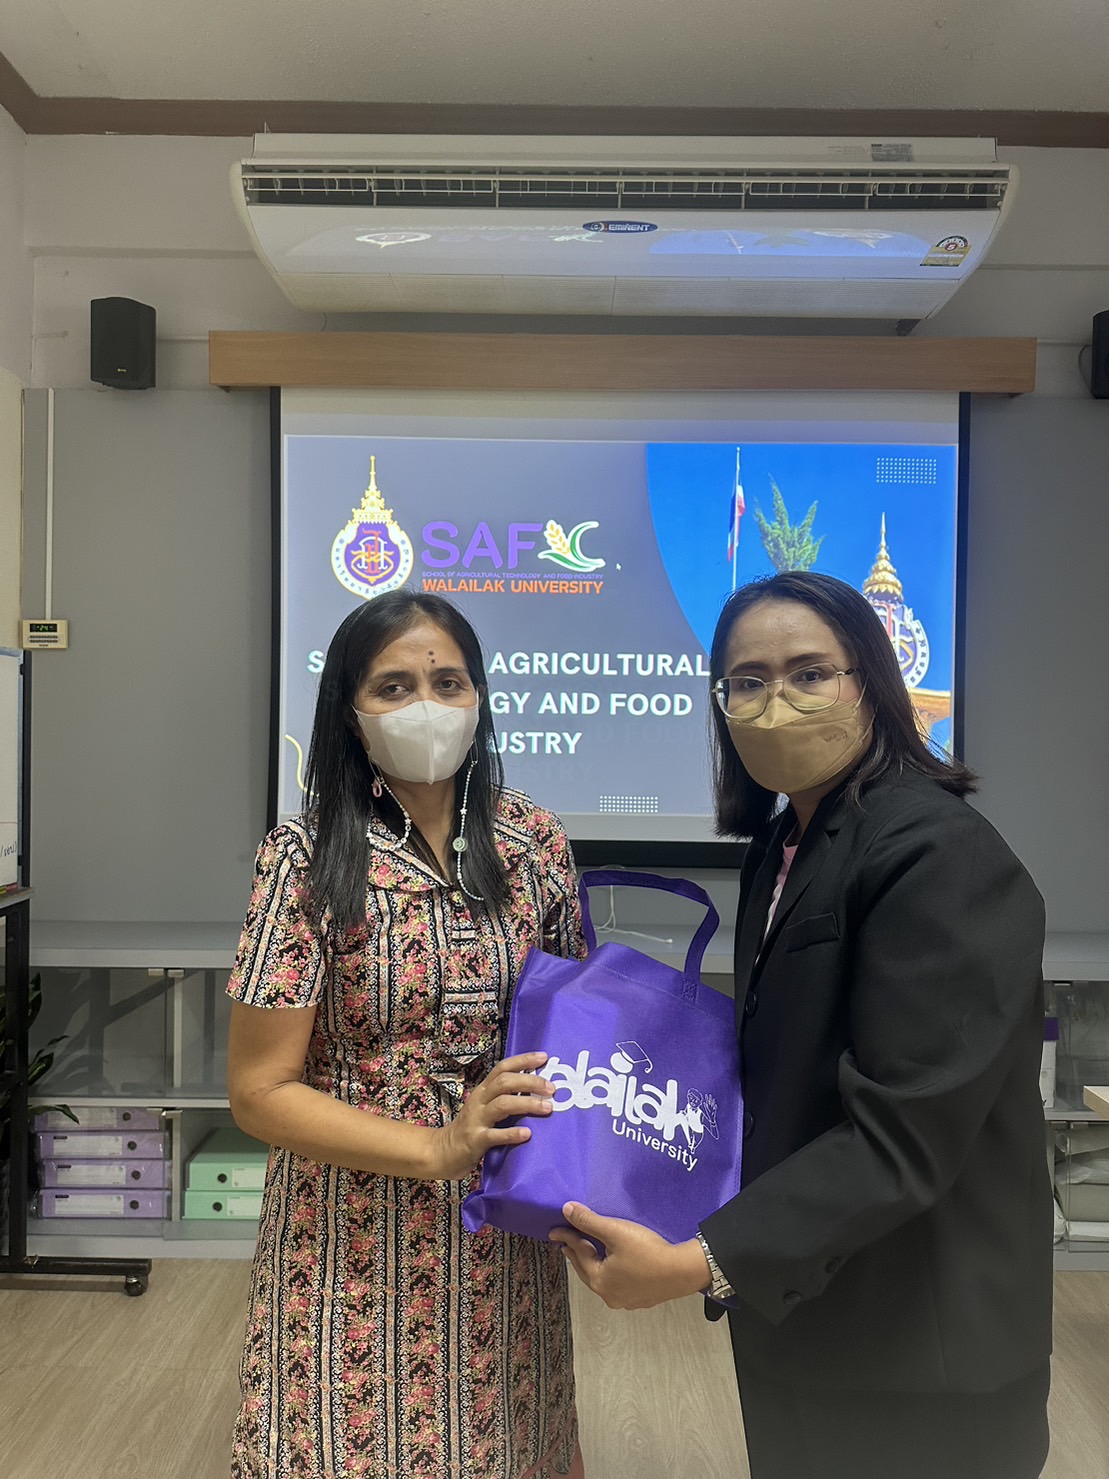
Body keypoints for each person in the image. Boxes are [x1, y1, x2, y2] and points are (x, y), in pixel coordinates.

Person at [552, 571, 1053, 1479]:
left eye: (809, 672)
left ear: (870, 683)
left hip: (919, 1353)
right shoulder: (783, 844)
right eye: (746, 681)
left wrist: (698, 1258)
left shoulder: (939, 854)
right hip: (802, 1312)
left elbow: (901, 1132)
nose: (773, 702)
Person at [226, 591, 584, 1479]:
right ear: (350, 713)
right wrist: (435, 1146)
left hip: (501, 1231)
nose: (427, 704)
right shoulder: (303, 855)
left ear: (479, 697)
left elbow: (576, 1033)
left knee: (505, 1447)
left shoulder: (533, 840)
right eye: (393, 686)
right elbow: (259, 1092)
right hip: (346, 1238)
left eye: (447, 681)